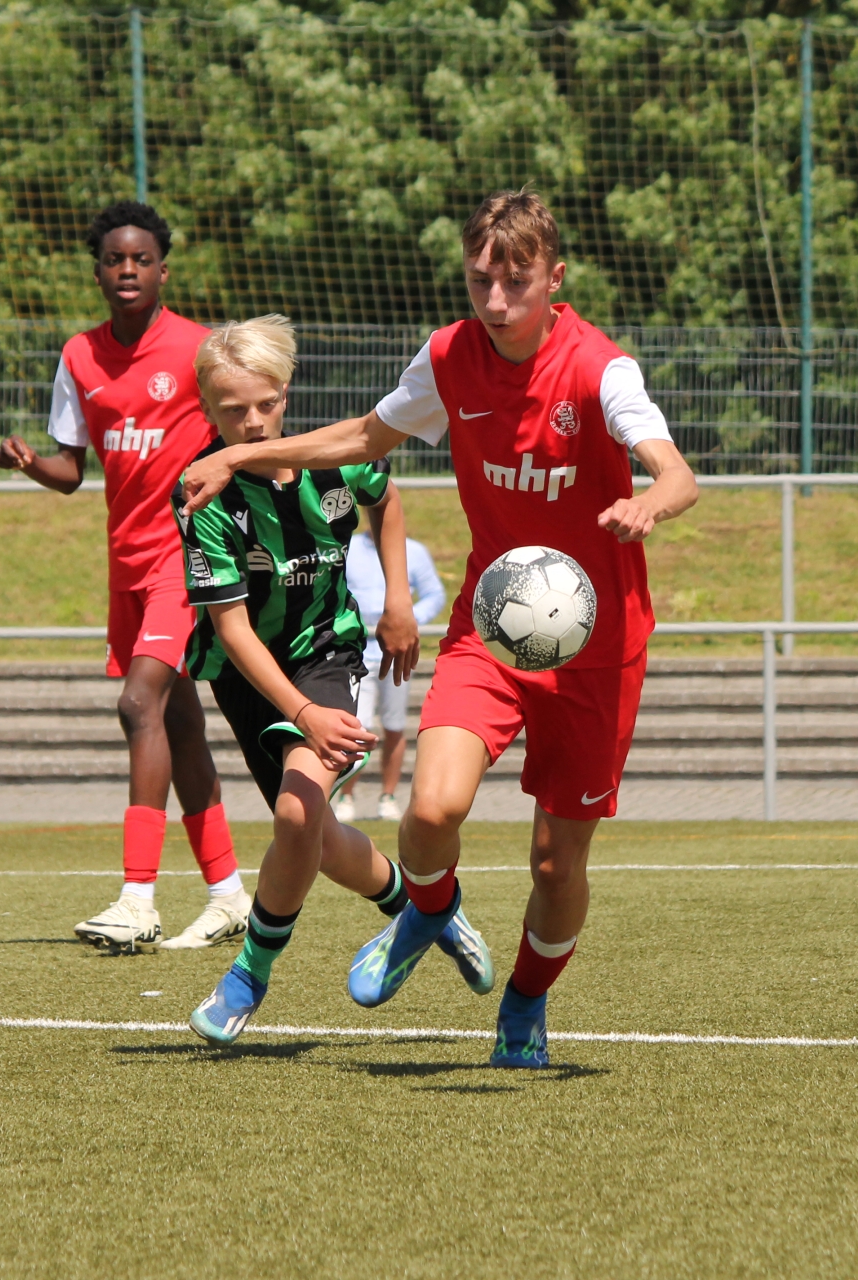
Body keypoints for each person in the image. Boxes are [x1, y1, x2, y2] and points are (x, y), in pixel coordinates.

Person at [182, 191, 699, 1067]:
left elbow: (677, 472)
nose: (495, 301)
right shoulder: (450, 356)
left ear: (554, 278)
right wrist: (240, 454)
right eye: (479, 280)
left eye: (515, 282)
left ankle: (524, 1004)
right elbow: (364, 437)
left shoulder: (600, 370)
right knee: (429, 809)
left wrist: (651, 502)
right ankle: (427, 911)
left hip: (599, 648)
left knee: (555, 865)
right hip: (490, 631)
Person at [176, 316, 494, 1045]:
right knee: (313, 836)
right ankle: (429, 910)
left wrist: (399, 603)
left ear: (286, 393)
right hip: (247, 674)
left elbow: (386, 500)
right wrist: (301, 713)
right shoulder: (202, 491)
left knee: (296, 816)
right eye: (233, 410)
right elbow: (232, 630)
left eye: (266, 404)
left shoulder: (334, 464)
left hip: (328, 652)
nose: (253, 423)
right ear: (206, 408)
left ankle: (248, 976)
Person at [0, 201, 247, 953]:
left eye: (141, 259)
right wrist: (29, 463)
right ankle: (229, 894)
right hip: (126, 564)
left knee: (138, 704)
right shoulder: (79, 356)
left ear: (163, 270)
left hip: (187, 556)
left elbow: (249, 426)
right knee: (178, 723)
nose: (128, 269)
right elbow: (72, 470)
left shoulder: (201, 350)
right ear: (98, 272)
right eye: (114, 259)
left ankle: (138, 899)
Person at [333, 528, 447, 823]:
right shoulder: (348, 547)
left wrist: (406, 620)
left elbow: (434, 595)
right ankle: (346, 796)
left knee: (394, 726)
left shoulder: (414, 551)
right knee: (356, 727)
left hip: (396, 650)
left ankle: (388, 796)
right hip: (356, 649)